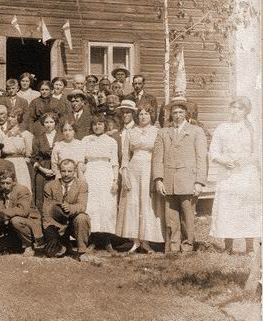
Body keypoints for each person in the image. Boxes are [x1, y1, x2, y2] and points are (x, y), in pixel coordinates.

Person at [153, 98, 207, 254]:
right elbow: (157, 158)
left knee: (187, 215)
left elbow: (201, 158)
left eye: (181, 112)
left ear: (186, 113)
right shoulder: (163, 132)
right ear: (170, 114)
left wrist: (199, 182)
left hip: (188, 180)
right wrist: (158, 179)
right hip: (168, 180)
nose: (177, 115)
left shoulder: (196, 131)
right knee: (171, 216)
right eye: (174, 112)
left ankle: (188, 245)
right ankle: (174, 246)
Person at [209, 96, 261, 254]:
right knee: (227, 207)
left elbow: (257, 152)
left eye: (240, 108)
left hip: (246, 173)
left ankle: (250, 246)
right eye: (233, 107)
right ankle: (228, 245)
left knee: (247, 207)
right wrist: (224, 161)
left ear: (246, 111)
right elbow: (213, 151)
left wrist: (243, 161)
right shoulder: (222, 128)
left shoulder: (252, 129)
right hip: (228, 174)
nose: (235, 111)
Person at [115, 105, 164, 253]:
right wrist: (125, 174)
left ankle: (147, 241)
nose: (143, 116)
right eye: (141, 114)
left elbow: (159, 154)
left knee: (147, 203)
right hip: (133, 169)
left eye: (146, 114)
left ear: (151, 116)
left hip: (150, 169)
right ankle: (135, 241)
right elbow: (125, 156)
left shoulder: (157, 132)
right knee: (133, 202)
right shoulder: (131, 132)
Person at [0, 170, 43, 256]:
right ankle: (16, 244)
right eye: (2, 183)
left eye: (8, 183)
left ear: (14, 182)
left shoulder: (22, 190)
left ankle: (29, 246)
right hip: (10, 228)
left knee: (16, 220)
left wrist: (0, 213)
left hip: (28, 223)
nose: (5, 186)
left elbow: (23, 211)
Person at [83, 114, 120, 251]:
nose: (97, 127)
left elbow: (115, 162)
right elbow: (82, 161)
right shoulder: (86, 140)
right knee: (92, 207)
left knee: (106, 207)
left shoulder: (111, 141)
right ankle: (93, 240)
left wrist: (115, 181)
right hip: (91, 173)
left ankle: (107, 241)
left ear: (105, 125)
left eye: (100, 124)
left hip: (106, 174)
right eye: (94, 124)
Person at [42, 159, 91, 259]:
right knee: (52, 253)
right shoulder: (50, 186)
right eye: (63, 171)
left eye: (70, 171)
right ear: (59, 171)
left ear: (75, 171)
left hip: (74, 222)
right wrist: (51, 234)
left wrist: (70, 208)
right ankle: (63, 244)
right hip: (56, 224)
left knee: (82, 218)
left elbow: (82, 206)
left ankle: (82, 250)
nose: (66, 174)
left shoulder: (82, 185)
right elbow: (46, 210)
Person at [0, 106, 33, 192]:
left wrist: (23, 163)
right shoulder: (3, 134)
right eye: (8, 116)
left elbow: (29, 153)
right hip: (6, 163)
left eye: (13, 117)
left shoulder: (25, 134)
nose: (9, 119)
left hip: (20, 164)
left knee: (21, 188)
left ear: (18, 118)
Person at [30, 112, 60, 212]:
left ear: (55, 123)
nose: (49, 124)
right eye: (46, 122)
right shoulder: (38, 138)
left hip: (59, 170)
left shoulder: (61, 136)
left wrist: (56, 170)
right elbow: (33, 158)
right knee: (41, 198)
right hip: (42, 170)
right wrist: (43, 170)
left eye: (51, 122)